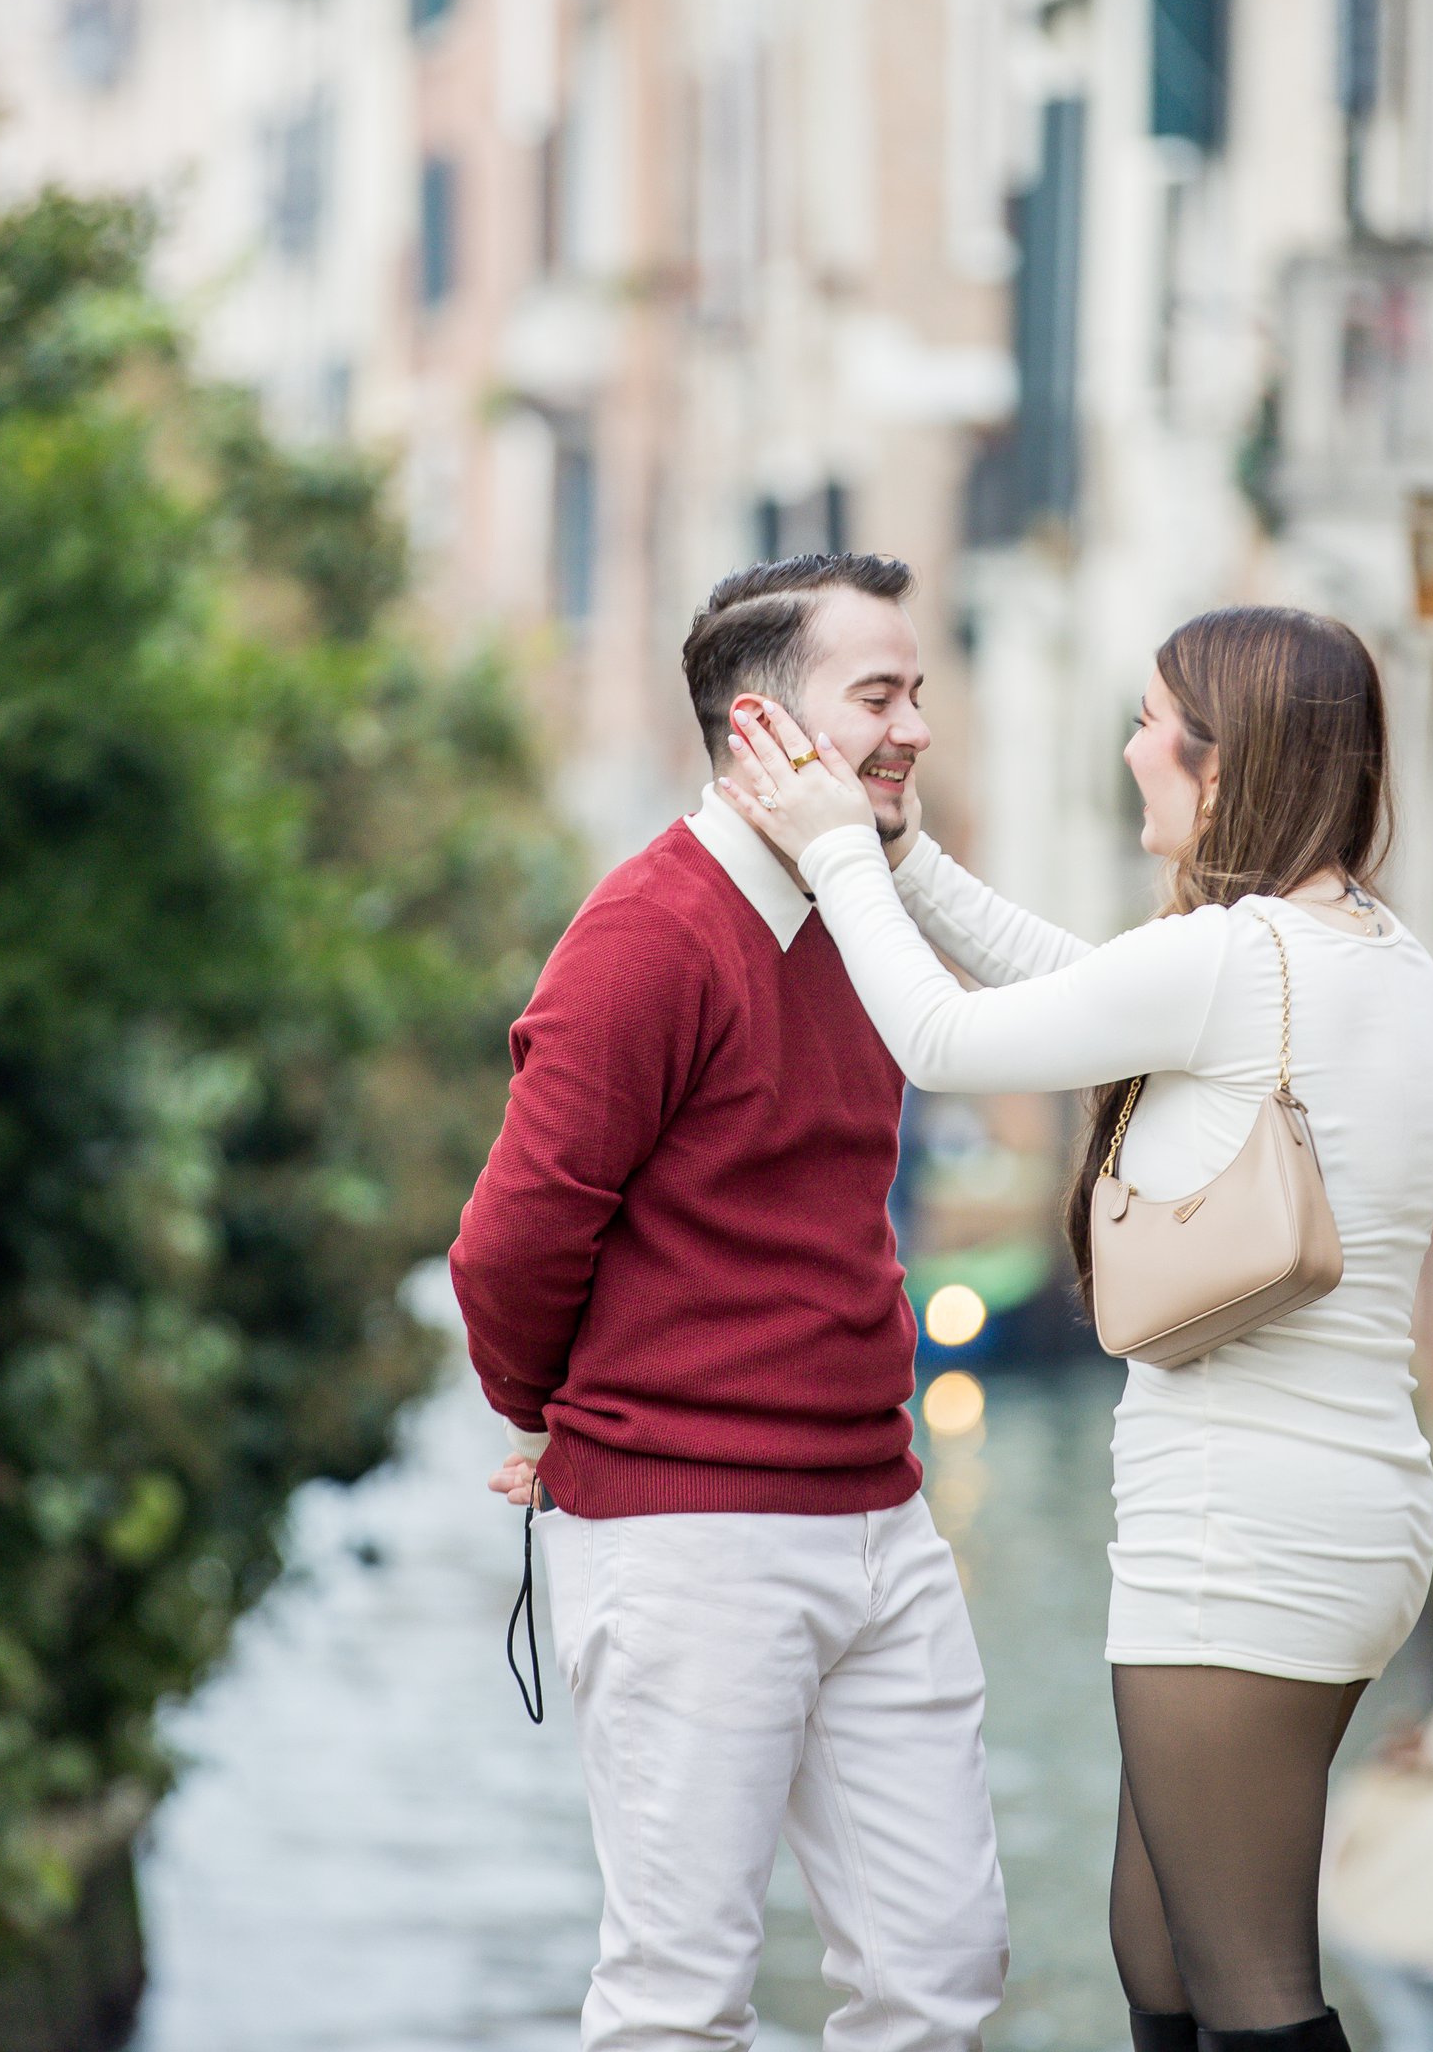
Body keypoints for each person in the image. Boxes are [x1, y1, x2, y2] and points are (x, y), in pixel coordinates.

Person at [721, 603, 1433, 2052]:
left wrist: (824, 855)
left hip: (1240, 1538)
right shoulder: (1372, 954)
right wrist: (905, 860)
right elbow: (1082, 989)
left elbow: (945, 1042)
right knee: (1161, 1959)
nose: (1127, 749)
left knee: (1252, 1998)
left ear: (1226, 768)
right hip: (1346, 1516)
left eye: (1149, 720)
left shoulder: (1235, 961)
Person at [450, 551, 1009, 2052]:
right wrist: (540, 1416)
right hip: (691, 1539)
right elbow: (509, 1242)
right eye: (879, 695)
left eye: (919, 692)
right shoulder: (648, 936)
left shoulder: (861, 917)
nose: (915, 729)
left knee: (940, 1970)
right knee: (679, 2001)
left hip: (879, 1513)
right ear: (763, 728)